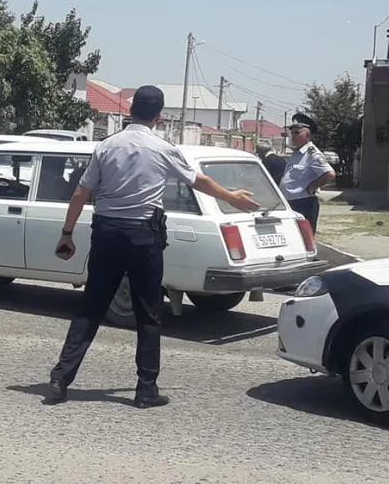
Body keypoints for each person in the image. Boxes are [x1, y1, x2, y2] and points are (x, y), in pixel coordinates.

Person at [47, 85, 262, 408]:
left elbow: (81, 193)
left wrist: (66, 233)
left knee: (91, 308)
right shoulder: (162, 148)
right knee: (148, 314)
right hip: (144, 238)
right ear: (159, 116)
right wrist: (232, 197)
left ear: (131, 111)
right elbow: (197, 181)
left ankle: (60, 380)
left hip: (106, 235)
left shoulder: (107, 146)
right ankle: (146, 389)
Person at [279, 113, 335, 233]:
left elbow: (329, 174)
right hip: (290, 202)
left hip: (304, 203)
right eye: (292, 132)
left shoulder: (312, 154)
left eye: (297, 133)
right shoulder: (296, 153)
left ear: (307, 135)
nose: (293, 136)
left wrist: (312, 187)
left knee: (305, 239)